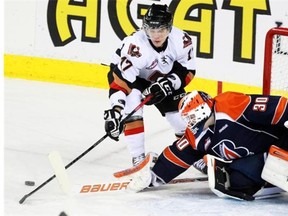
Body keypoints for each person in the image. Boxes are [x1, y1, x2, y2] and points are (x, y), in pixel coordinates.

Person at [116, 90, 288, 200]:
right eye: (188, 118)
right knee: (236, 183)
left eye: (193, 116)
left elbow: (280, 107)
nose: (191, 122)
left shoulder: (231, 104)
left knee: (276, 164)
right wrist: (153, 176)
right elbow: (177, 155)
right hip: (258, 157)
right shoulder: (196, 136)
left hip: (281, 143)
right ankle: (274, 182)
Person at [103, 4, 197, 166]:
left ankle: (191, 155)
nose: (156, 35)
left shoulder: (182, 40)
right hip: (134, 79)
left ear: (169, 28)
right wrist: (116, 110)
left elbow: (188, 71)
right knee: (133, 107)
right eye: (152, 30)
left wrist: (168, 84)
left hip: (164, 77)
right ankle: (138, 158)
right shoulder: (135, 47)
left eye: (160, 30)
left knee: (180, 119)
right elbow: (120, 83)